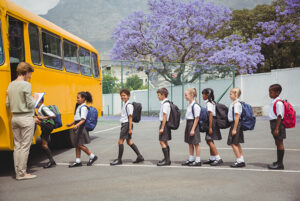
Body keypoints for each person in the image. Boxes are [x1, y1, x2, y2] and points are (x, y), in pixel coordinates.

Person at [6, 62, 39, 180]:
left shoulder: (10, 84)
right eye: (30, 74)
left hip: (15, 118)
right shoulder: (26, 85)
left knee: (18, 146)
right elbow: (31, 105)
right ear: (26, 72)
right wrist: (35, 98)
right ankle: (22, 173)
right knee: (25, 147)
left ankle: (18, 172)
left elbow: (7, 104)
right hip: (26, 118)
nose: (30, 76)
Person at [110, 89, 144, 166]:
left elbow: (130, 117)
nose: (123, 97)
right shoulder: (125, 104)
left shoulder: (129, 105)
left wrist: (129, 129)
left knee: (120, 141)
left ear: (128, 96)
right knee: (129, 142)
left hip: (126, 125)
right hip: (125, 125)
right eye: (121, 95)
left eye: (124, 95)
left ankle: (119, 160)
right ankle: (140, 156)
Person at [67, 91, 98, 167]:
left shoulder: (83, 108)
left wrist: (76, 125)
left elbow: (83, 119)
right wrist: (71, 123)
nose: (77, 99)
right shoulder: (79, 106)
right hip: (78, 125)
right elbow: (77, 118)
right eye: (77, 98)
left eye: (78, 98)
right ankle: (78, 161)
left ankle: (92, 156)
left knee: (79, 144)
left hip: (80, 127)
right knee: (77, 145)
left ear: (83, 98)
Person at [202, 88, 223, 166]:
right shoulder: (212, 102)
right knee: (209, 140)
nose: (202, 96)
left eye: (203, 94)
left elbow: (210, 115)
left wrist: (210, 127)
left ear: (207, 95)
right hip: (212, 122)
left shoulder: (209, 103)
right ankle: (212, 158)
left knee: (209, 140)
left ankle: (218, 158)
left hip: (211, 122)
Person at [182, 88, 201, 166]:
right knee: (190, 142)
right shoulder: (189, 104)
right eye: (185, 95)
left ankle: (198, 160)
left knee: (196, 143)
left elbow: (197, 118)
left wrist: (193, 129)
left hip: (193, 124)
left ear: (192, 95)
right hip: (188, 123)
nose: (185, 96)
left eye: (186, 95)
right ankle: (191, 159)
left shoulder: (195, 106)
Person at [268, 84, 286, 170]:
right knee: (277, 142)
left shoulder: (278, 103)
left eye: (271, 92)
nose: (269, 94)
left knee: (280, 143)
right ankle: (278, 161)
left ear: (277, 92)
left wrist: (276, 128)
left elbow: (279, 116)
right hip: (274, 124)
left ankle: (280, 164)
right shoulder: (274, 101)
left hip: (278, 124)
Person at [35, 98, 56, 168]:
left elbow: (53, 115)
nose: (35, 103)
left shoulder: (43, 108)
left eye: (36, 102)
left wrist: (42, 118)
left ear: (40, 101)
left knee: (44, 144)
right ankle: (52, 161)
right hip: (47, 126)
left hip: (49, 125)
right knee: (44, 143)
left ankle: (52, 161)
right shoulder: (40, 108)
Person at [227, 88, 245, 168]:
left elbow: (237, 116)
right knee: (236, 142)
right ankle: (241, 159)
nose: (229, 95)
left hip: (235, 124)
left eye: (231, 94)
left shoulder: (236, 104)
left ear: (236, 95)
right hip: (235, 124)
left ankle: (239, 161)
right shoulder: (234, 103)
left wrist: (234, 129)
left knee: (233, 143)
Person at [156, 88, 172, 166]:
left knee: (162, 141)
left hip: (164, 124)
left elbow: (165, 116)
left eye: (158, 95)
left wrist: (162, 127)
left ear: (163, 95)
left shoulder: (165, 104)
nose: (157, 97)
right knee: (165, 141)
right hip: (165, 124)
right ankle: (167, 159)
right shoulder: (165, 103)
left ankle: (167, 161)